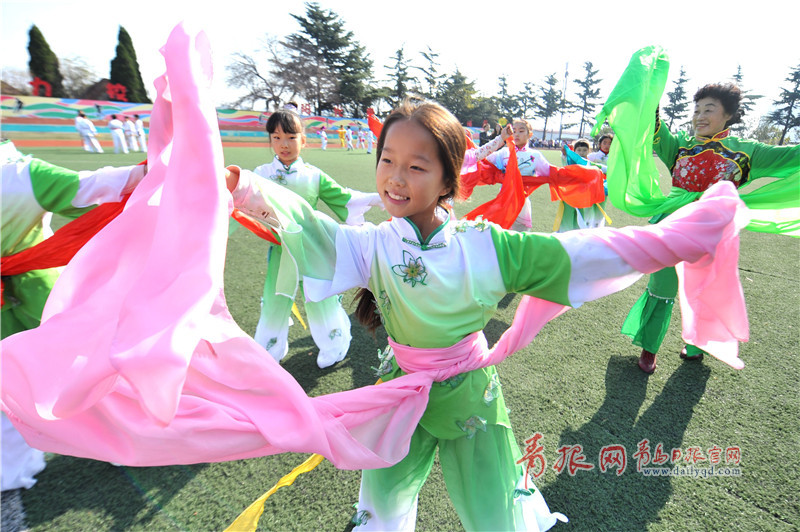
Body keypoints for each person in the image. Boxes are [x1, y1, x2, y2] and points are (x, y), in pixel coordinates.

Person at [224, 98, 748, 531]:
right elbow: (314, 231)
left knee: (495, 511)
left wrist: (685, 234)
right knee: (381, 504)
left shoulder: (485, 247)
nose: (395, 178)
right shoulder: (372, 245)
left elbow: (585, 253)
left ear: (450, 177)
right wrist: (243, 189)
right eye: (387, 160)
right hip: (398, 392)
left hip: (468, 395)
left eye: (416, 165)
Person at [612, 82, 800, 373]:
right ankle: (649, 348)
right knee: (661, 288)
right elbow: (654, 127)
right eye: (696, 110)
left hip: (712, 235)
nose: (699, 116)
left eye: (709, 109)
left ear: (729, 115)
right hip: (671, 229)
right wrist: (649, 92)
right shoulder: (680, 146)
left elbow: (792, 157)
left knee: (704, 291)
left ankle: (697, 345)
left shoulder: (747, 152)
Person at [1, 138, 145, 491]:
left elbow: (94, 189)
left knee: (71, 376)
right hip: (41, 295)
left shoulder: (21, 175)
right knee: (64, 376)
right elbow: (95, 188)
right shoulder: (20, 174)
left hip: (40, 297)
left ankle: (122, 438)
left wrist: (146, 173)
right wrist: (145, 174)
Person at [243, 108, 383, 368]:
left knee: (320, 296)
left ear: (303, 140)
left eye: (291, 137)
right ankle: (270, 347)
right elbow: (238, 198)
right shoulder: (260, 174)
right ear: (270, 140)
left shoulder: (313, 175)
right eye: (276, 137)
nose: (284, 144)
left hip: (313, 248)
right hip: (281, 248)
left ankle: (335, 344)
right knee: (276, 296)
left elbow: (345, 198)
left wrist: (374, 199)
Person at [483, 118, 549, 231]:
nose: (516, 134)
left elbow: (551, 174)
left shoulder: (535, 155)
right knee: (499, 237)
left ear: (530, 134)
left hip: (522, 204)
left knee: (520, 239)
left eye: (521, 131)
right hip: (502, 201)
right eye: (514, 130)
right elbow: (483, 160)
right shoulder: (504, 153)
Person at [555, 138, 607, 232]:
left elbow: (602, 169)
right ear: (574, 151)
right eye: (579, 150)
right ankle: (564, 233)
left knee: (581, 215)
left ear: (589, 151)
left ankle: (579, 233)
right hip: (569, 194)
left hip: (583, 195)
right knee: (567, 214)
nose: (582, 152)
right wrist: (565, 152)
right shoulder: (569, 160)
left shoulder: (589, 164)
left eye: (584, 150)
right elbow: (564, 158)